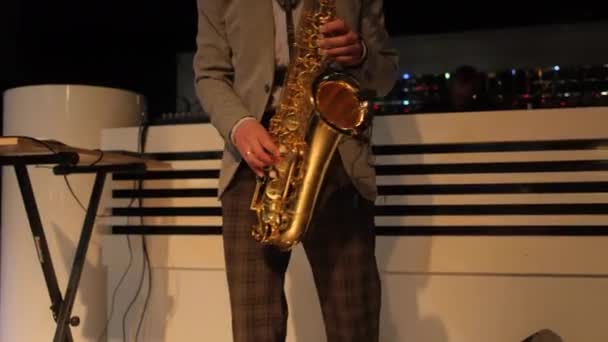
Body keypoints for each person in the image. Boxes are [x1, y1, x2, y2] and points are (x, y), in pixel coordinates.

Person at [193, 0, 399, 341]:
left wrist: (361, 54)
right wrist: (240, 126)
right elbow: (209, 73)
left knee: (354, 324)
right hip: (253, 154)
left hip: (337, 155)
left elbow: (386, 74)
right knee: (253, 328)